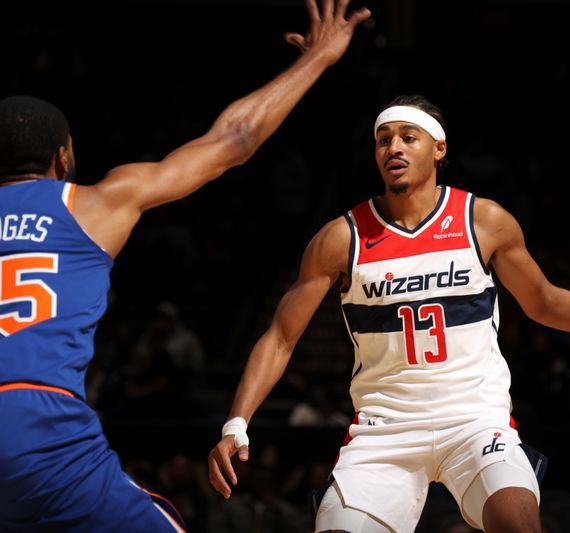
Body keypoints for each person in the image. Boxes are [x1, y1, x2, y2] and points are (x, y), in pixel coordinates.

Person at [207, 94, 570, 533]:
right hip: (384, 429)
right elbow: (280, 338)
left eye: (407, 137)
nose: (393, 147)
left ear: (438, 149)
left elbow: (541, 300)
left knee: (517, 523)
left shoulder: (484, 220)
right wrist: (236, 422)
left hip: (475, 419)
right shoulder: (341, 238)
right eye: (383, 139)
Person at [0, 1, 370, 531]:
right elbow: (232, 142)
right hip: (41, 421)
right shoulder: (93, 203)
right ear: (63, 158)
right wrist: (316, 61)